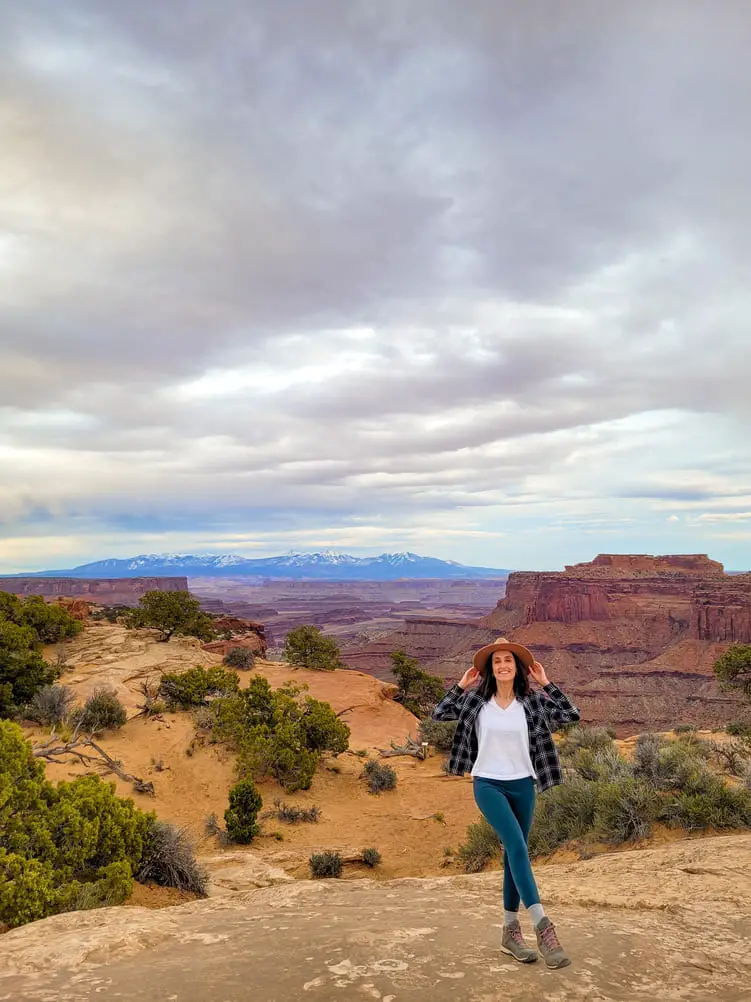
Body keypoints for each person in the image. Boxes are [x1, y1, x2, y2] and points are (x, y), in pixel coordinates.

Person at [432, 635, 580, 969]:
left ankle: (510, 932)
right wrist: (459, 686)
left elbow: (571, 714)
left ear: (518, 668)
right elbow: (439, 713)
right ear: (489, 669)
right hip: (487, 783)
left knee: (515, 856)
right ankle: (544, 926)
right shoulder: (475, 703)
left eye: (508, 661)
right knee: (516, 846)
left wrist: (547, 683)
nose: (502, 665)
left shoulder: (532, 703)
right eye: (496, 661)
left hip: (523, 784)